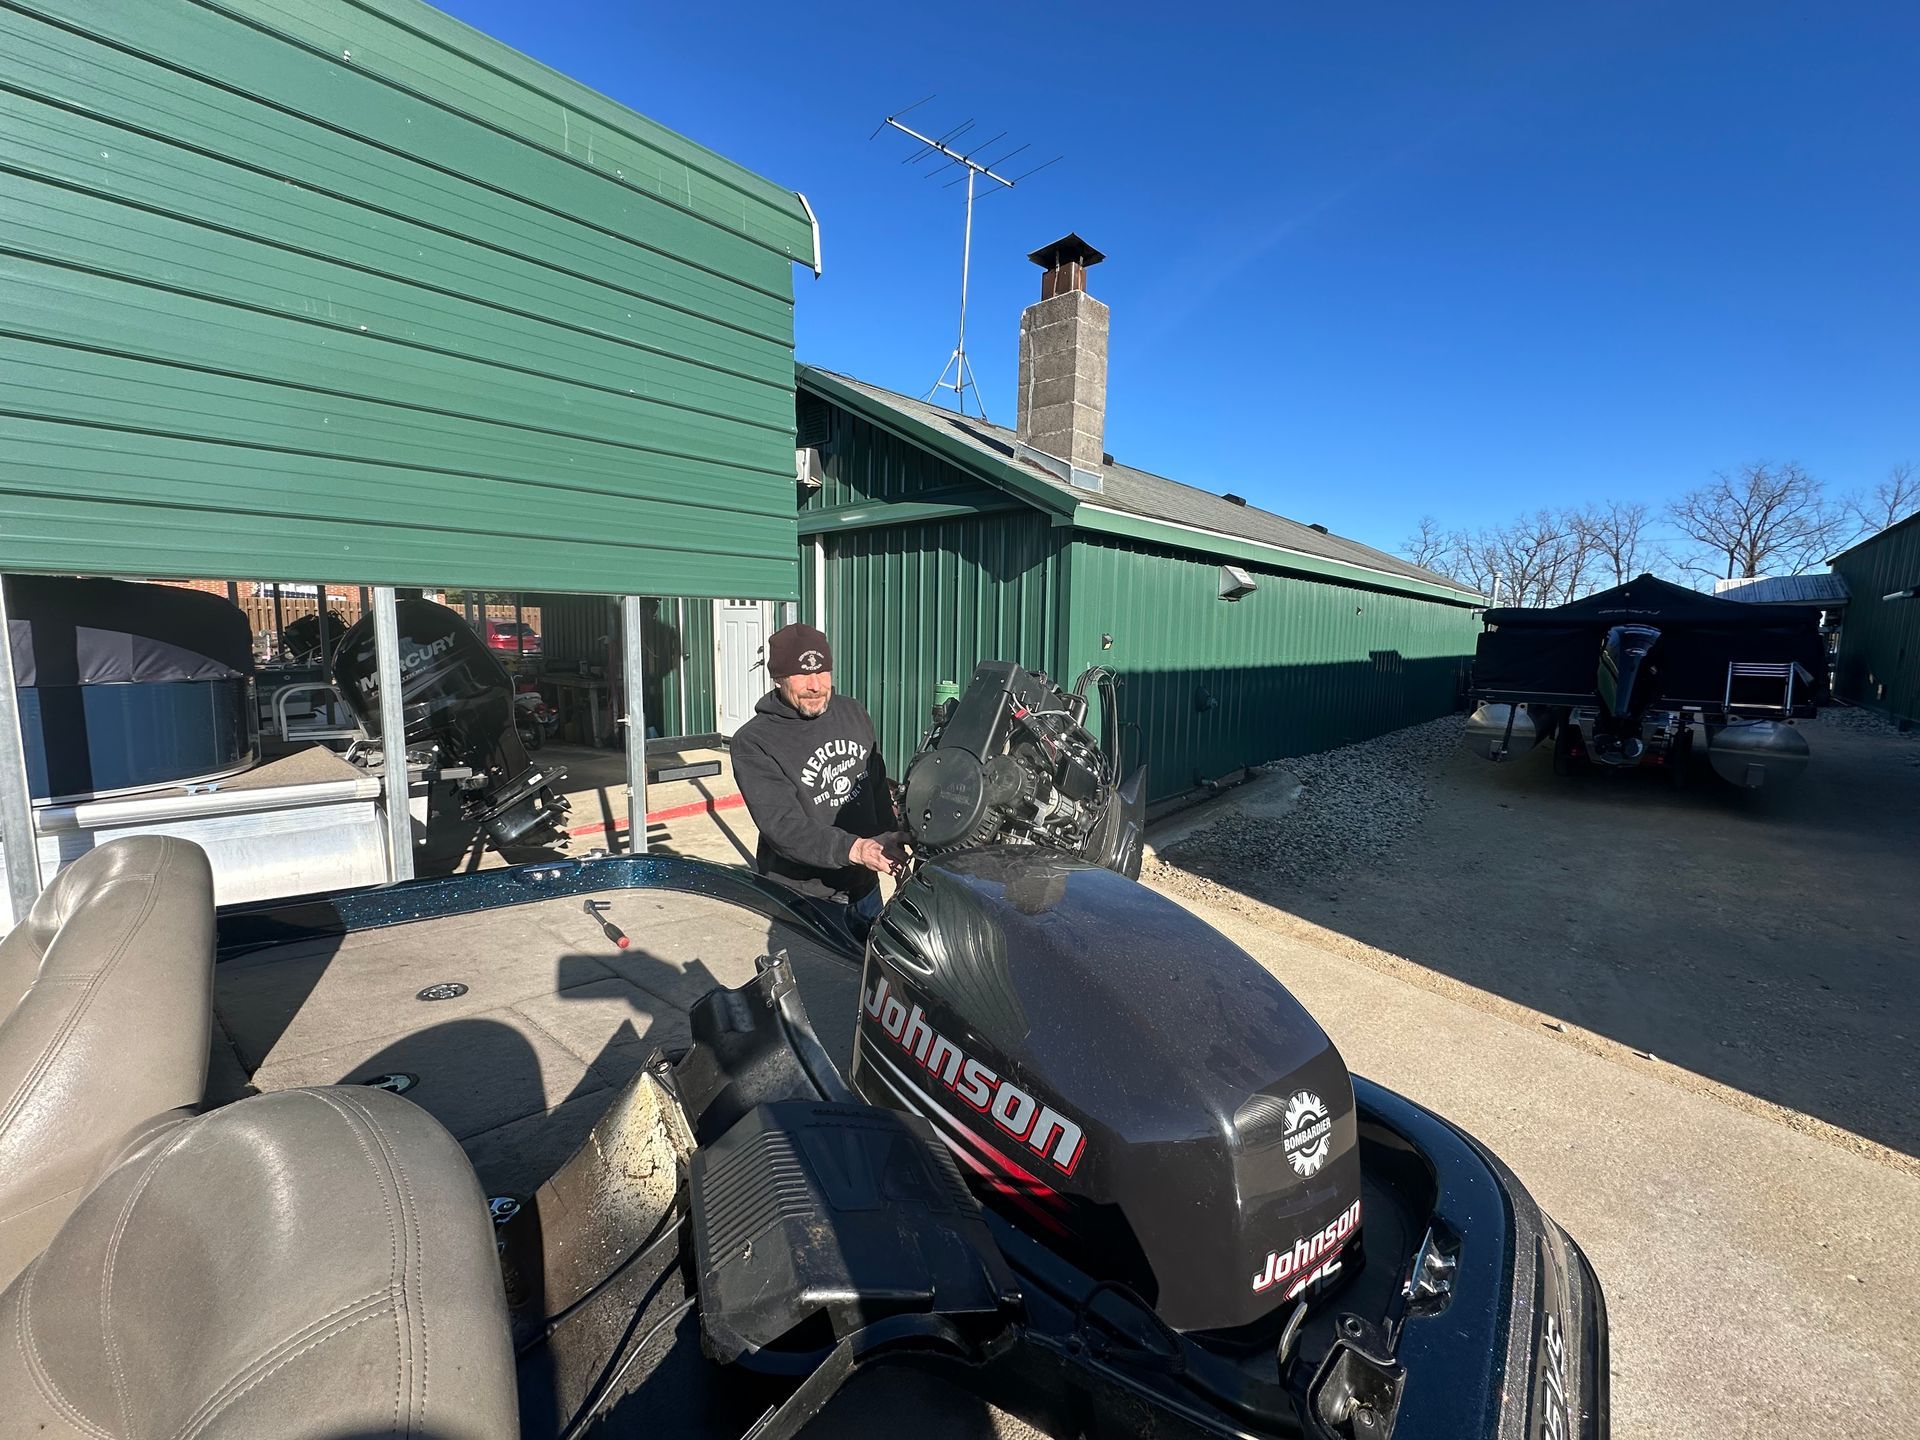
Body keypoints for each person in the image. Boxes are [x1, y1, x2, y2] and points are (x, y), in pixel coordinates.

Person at [730, 623, 906, 941]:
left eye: (822, 672)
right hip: (804, 898)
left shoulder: (852, 712)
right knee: (816, 988)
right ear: (778, 678)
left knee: (869, 981)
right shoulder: (754, 741)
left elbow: (875, 785)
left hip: (864, 885)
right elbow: (783, 826)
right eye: (802, 675)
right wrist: (856, 848)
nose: (815, 685)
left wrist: (888, 835)